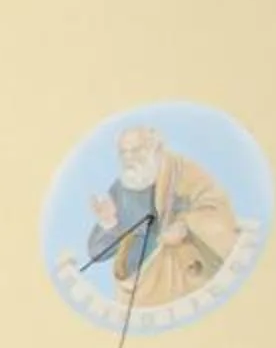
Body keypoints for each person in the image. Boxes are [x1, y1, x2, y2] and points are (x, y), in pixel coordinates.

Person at [86, 123, 237, 306]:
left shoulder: (183, 172)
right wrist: (108, 222)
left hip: (182, 283)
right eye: (123, 152)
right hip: (134, 292)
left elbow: (216, 208)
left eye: (135, 150)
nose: (129, 158)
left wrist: (186, 226)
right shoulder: (122, 187)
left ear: (156, 149)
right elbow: (96, 254)